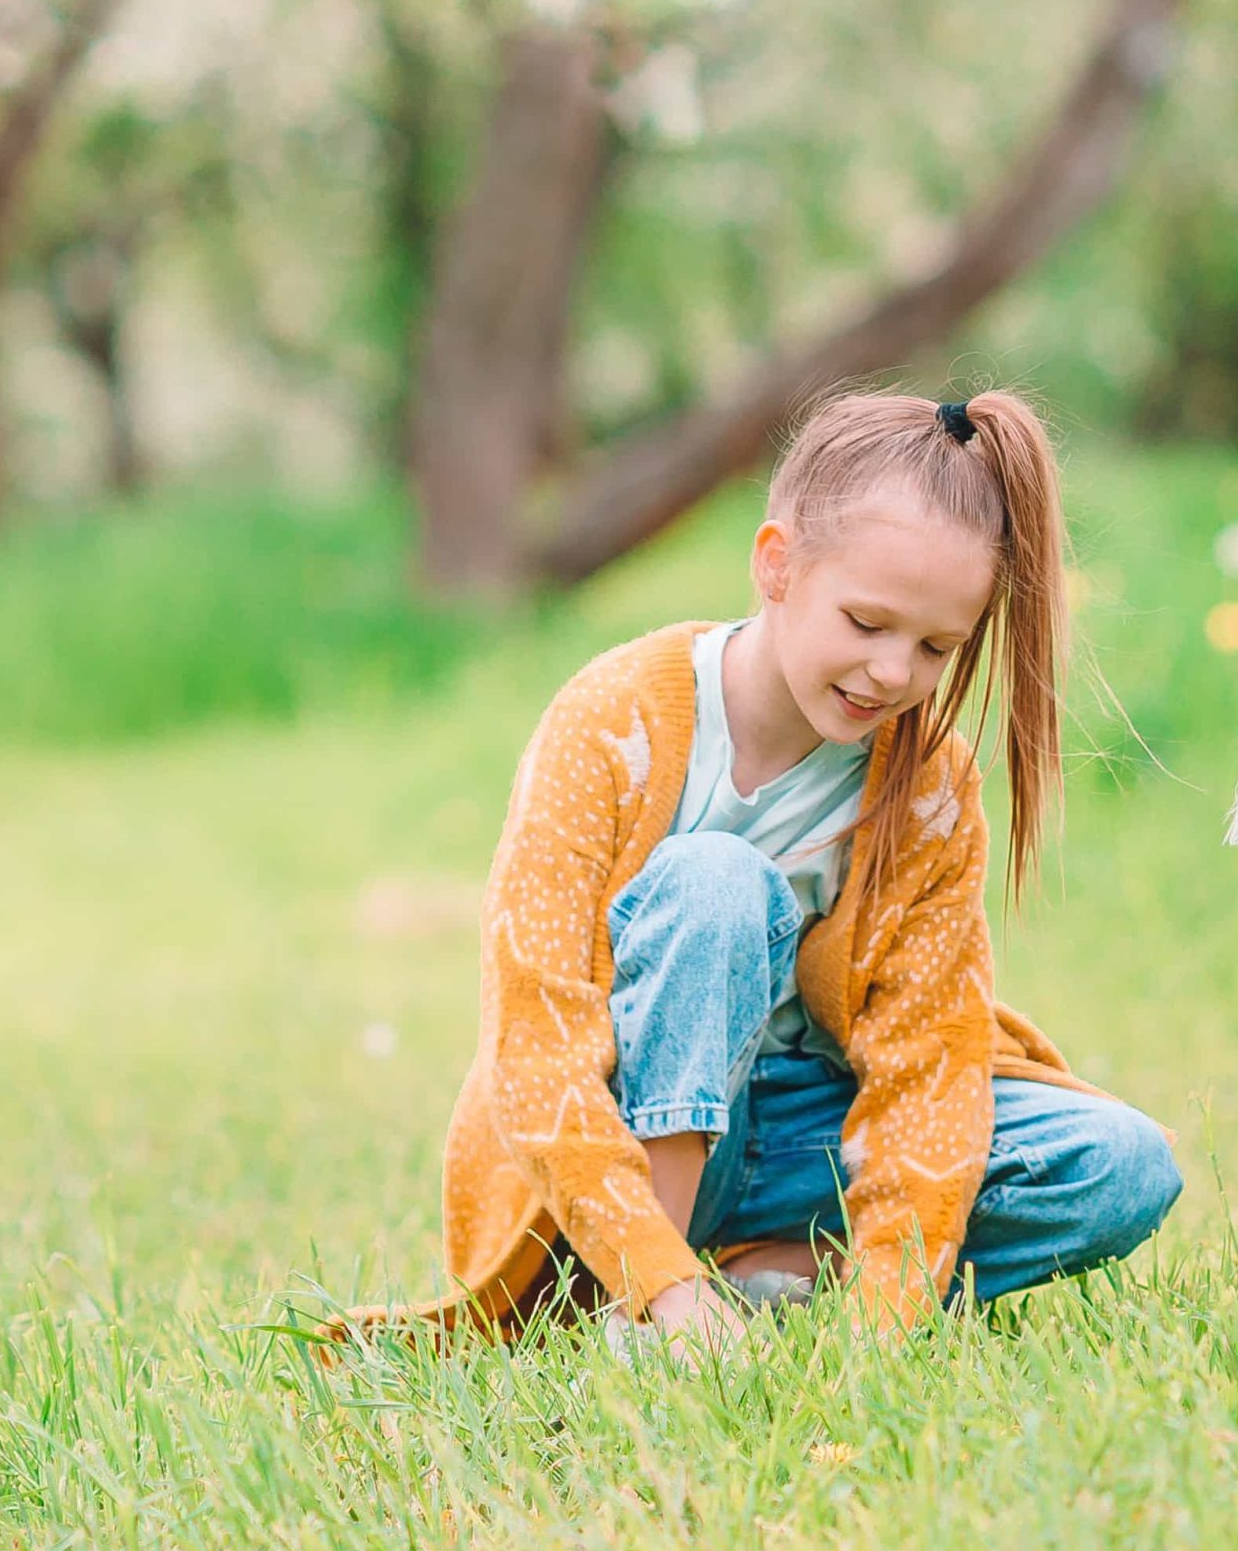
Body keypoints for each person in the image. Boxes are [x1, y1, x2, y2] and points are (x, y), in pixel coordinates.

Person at [419, 388, 1179, 1353]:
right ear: (777, 565)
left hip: (802, 1137)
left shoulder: (927, 784)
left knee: (1122, 1165)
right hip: (624, 1126)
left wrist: (880, 1325)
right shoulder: (614, 721)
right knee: (716, 881)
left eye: (935, 646)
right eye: (866, 622)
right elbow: (537, 1042)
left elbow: (927, 1068)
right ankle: (649, 1302)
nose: (893, 673)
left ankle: (771, 1275)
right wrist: (654, 1274)